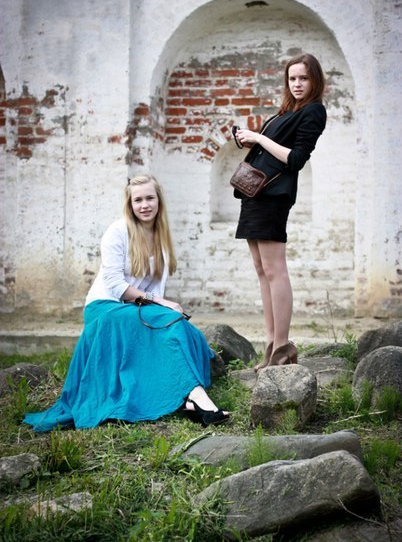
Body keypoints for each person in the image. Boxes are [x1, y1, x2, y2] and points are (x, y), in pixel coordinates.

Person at [24, 174, 229, 431]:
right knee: (168, 319)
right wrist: (161, 302)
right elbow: (116, 285)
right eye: (138, 200)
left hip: (133, 308)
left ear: (159, 200)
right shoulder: (118, 231)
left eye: (150, 198)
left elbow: (154, 289)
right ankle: (199, 398)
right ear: (130, 204)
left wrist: (161, 306)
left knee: (178, 325)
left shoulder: (162, 240)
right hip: (105, 308)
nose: (145, 205)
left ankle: (190, 398)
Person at [233, 53, 327, 368]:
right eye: (292, 78)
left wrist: (259, 137)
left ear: (315, 80)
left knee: (275, 270)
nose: (297, 84)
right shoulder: (288, 110)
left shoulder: (314, 111)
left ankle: (283, 345)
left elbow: (296, 159)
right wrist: (252, 142)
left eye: (304, 78)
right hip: (255, 192)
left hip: (274, 195)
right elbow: (274, 150)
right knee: (262, 269)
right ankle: (272, 342)